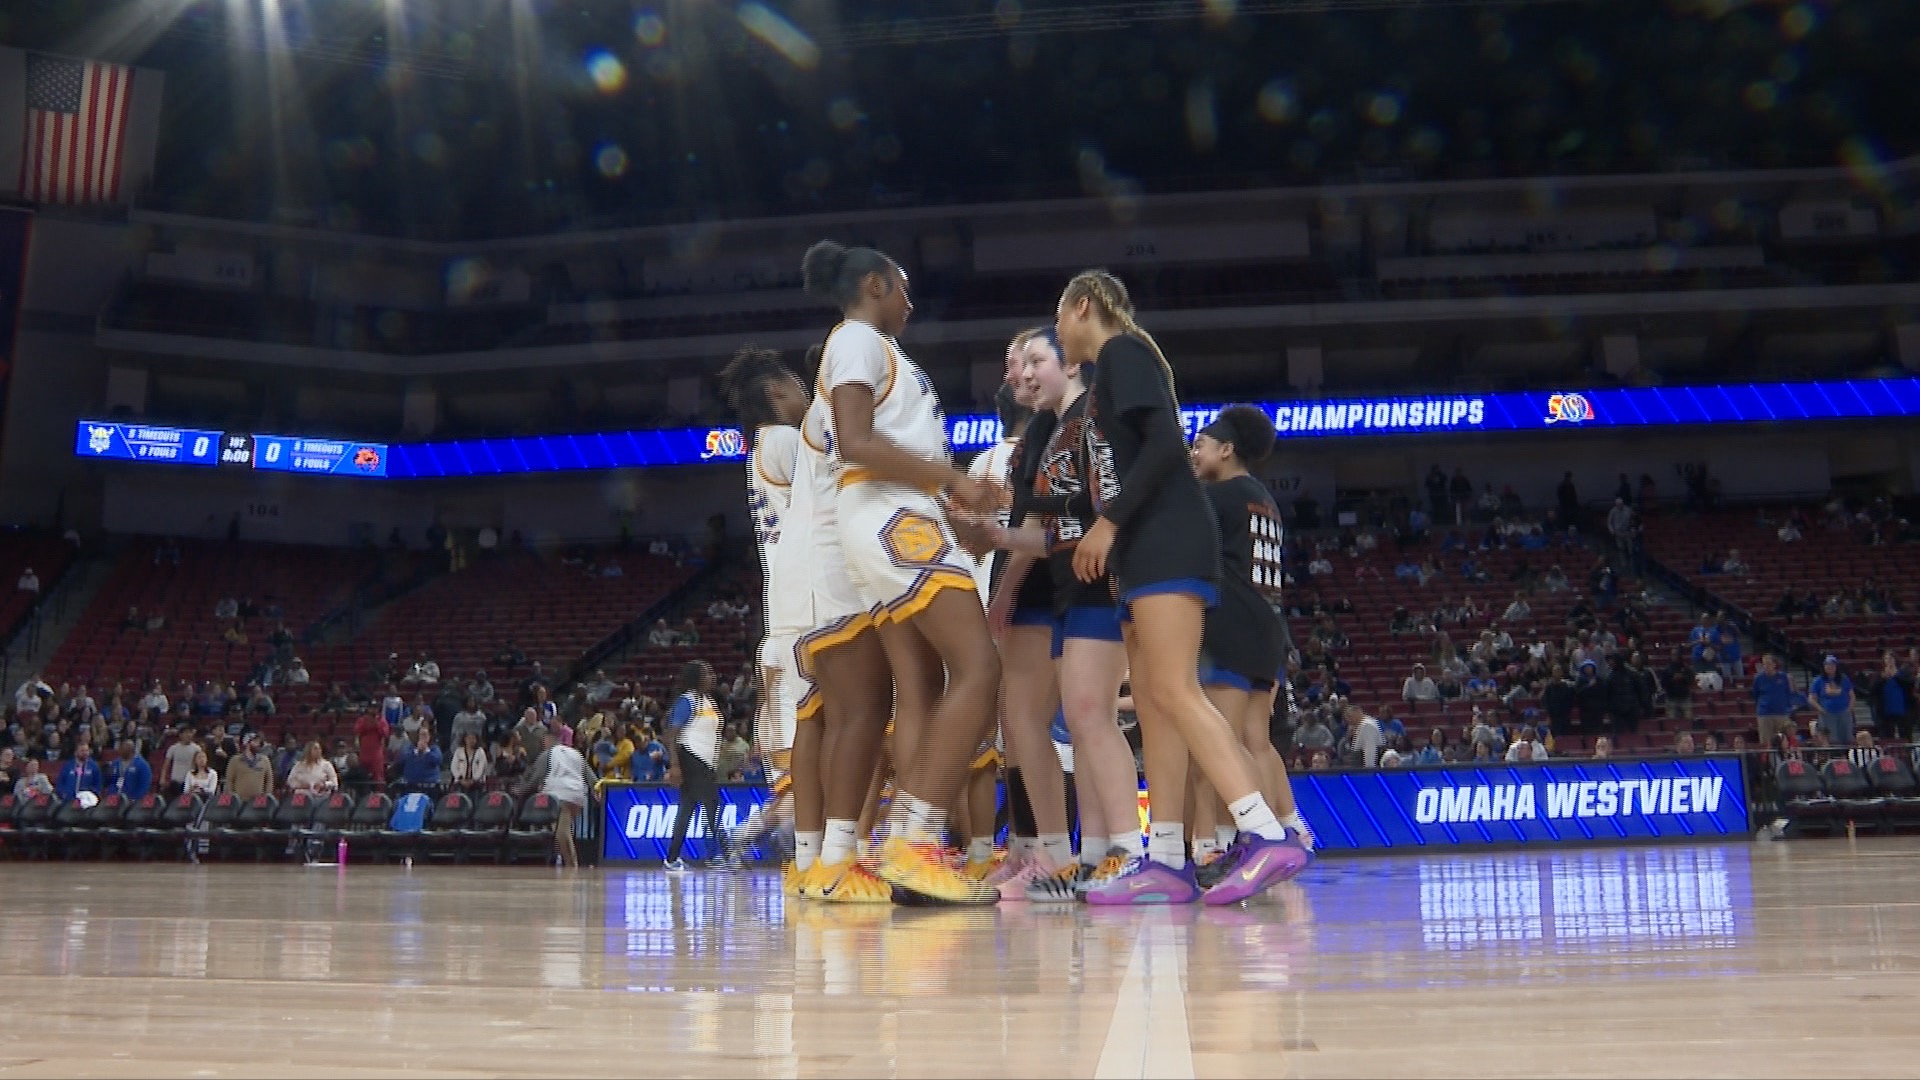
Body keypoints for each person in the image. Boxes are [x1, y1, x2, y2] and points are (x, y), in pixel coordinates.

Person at [1051, 269, 1308, 905]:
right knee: (1160, 704)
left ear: (1084, 307)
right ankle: (1165, 859)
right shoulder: (1114, 367)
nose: (1059, 335)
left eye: (1059, 320)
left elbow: (1166, 443)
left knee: (1173, 689)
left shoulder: (1124, 353)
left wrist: (1109, 526)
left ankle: (1264, 832)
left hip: (1168, 535)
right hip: (1144, 545)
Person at [798, 239, 1004, 904]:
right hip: (887, 514)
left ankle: (913, 847)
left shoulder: (875, 350)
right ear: (877, 284)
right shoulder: (856, 338)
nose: (912, 302)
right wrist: (953, 481)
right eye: (904, 288)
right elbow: (857, 441)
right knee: (979, 667)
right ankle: (912, 840)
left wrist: (956, 509)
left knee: (920, 686)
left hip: (895, 515)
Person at [981, 328, 1140, 900]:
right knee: (1058, 720)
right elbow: (1039, 528)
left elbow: (1093, 511)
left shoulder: (1094, 420)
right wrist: (998, 549)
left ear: (1069, 365)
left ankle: (1127, 850)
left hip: (1093, 584)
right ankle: (1076, 852)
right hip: (1062, 584)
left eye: (1032, 360)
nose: (1018, 372)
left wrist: (998, 542)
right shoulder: (1043, 437)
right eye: (1015, 362)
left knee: (1085, 717)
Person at [716, 344, 830, 889]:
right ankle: (804, 853)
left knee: (803, 764)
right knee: (808, 763)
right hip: (801, 612)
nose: (807, 394)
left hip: (784, 614)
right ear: (779, 393)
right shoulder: (786, 439)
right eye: (799, 386)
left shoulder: (765, 447)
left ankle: (799, 851)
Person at [1187, 404, 1313, 884]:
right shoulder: (1264, 499)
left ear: (1226, 449)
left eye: (1200, 443)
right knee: (1256, 741)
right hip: (1269, 628)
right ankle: (1285, 830)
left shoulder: (1216, 497)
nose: (1194, 451)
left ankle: (1214, 849)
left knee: (1211, 745)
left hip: (1229, 628)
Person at [663, 661, 727, 872]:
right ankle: (716, 855)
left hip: (706, 762)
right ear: (695, 678)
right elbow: (671, 735)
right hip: (691, 758)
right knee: (712, 806)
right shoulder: (687, 700)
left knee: (687, 809)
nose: (712, 676)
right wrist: (674, 765)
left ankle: (672, 859)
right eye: (707, 673)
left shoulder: (709, 701)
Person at [521, 727, 589, 868]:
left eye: (544, 740)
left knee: (561, 832)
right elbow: (589, 774)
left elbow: (537, 776)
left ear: (549, 740)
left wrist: (522, 790)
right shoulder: (576, 753)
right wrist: (598, 789)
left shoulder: (549, 753)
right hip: (578, 794)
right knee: (565, 830)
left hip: (559, 794)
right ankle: (569, 862)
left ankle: (572, 865)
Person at [1809, 656, 1856, 746]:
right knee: (1831, 738)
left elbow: (1852, 695)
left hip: (1844, 713)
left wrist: (1850, 708)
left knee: (1847, 737)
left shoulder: (1843, 679)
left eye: (1832, 665)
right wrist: (1820, 709)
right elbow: (1811, 698)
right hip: (1827, 714)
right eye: (1827, 665)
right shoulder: (1818, 680)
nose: (1830, 667)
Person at [396, 729, 443, 797]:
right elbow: (402, 759)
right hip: (411, 787)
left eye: (425, 735)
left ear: (429, 737)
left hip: (429, 788)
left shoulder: (434, 749)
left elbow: (437, 760)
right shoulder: (410, 748)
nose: (423, 737)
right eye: (421, 735)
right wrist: (416, 751)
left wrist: (426, 751)